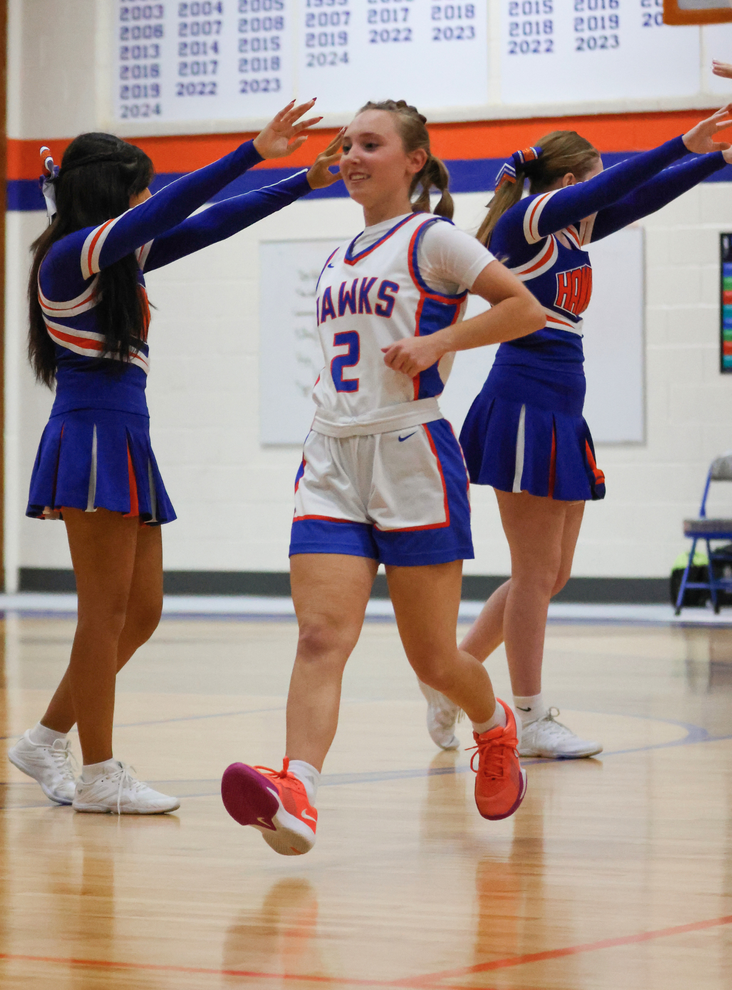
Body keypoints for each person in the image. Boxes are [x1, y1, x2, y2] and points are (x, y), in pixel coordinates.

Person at [220, 99, 546, 856]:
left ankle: (494, 724)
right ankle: (297, 791)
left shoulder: (435, 238)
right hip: (331, 455)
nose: (351, 157)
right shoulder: (340, 254)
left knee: (433, 659)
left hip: (412, 453)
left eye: (370, 144)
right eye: (346, 145)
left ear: (414, 160)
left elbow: (525, 310)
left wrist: (442, 341)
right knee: (319, 635)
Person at [8, 101, 343, 814]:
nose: (148, 199)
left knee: (142, 611)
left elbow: (211, 223)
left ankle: (44, 739)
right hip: (91, 438)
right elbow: (175, 209)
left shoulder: (117, 259)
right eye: (140, 188)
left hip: (127, 437)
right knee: (102, 615)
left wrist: (303, 182)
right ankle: (99, 773)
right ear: (111, 193)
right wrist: (253, 151)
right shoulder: (72, 255)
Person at [417, 106, 732, 757]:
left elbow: (641, 196)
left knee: (550, 574)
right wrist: (682, 140)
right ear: (566, 183)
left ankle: (450, 679)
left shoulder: (570, 230)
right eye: (592, 179)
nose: (601, 189)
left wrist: (715, 159)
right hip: (524, 403)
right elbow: (617, 186)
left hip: (562, 407)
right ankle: (530, 720)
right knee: (534, 573)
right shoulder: (528, 219)